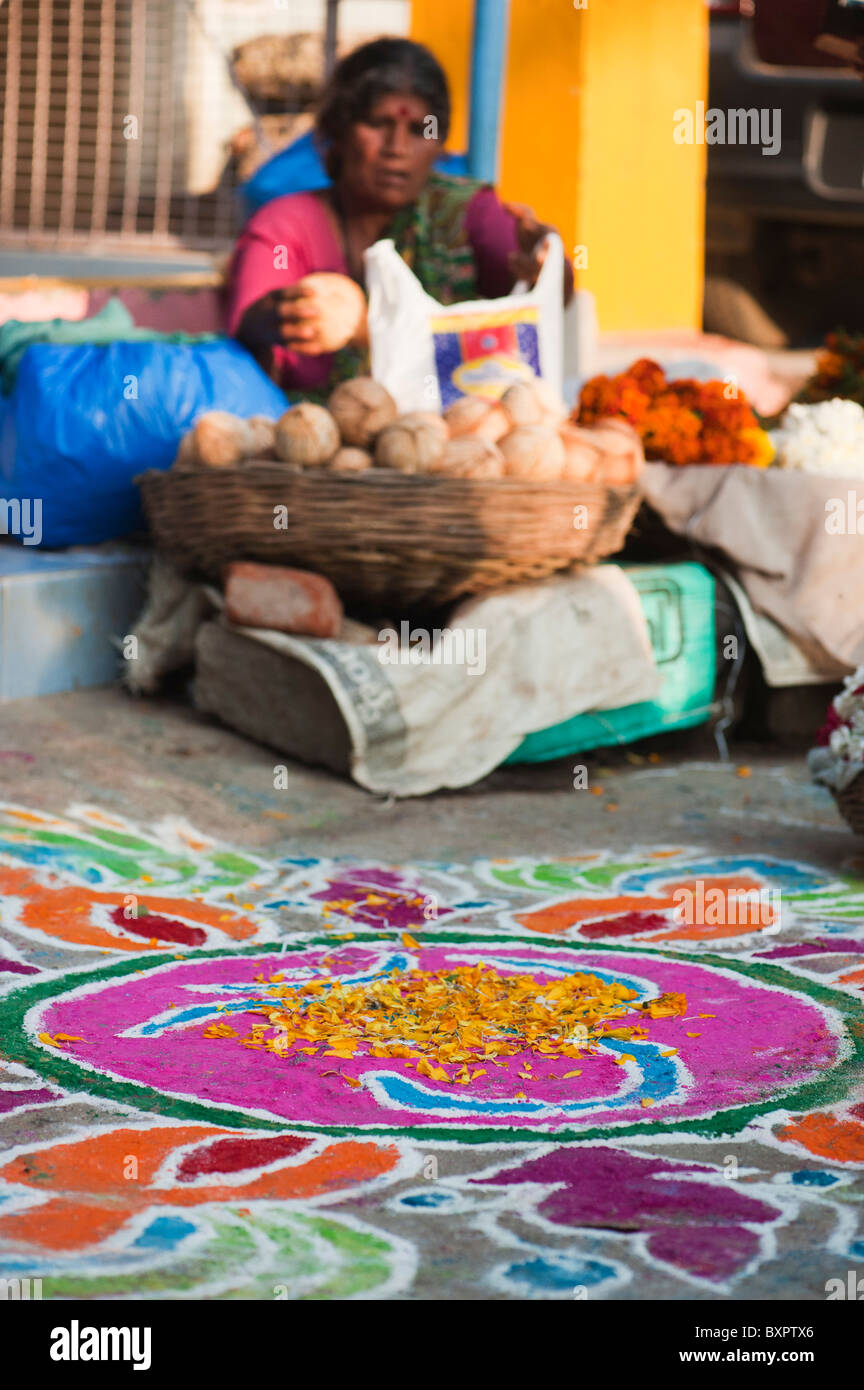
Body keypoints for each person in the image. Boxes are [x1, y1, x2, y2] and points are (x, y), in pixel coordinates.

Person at [227, 37, 572, 397]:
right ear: (338, 133)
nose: (397, 148)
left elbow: (541, 300)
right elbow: (250, 317)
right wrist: (287, 313)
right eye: (378, 124)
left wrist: (548, 266)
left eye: (419, 130)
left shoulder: (467, 213)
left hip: (458, 436)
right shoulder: (287, 226)